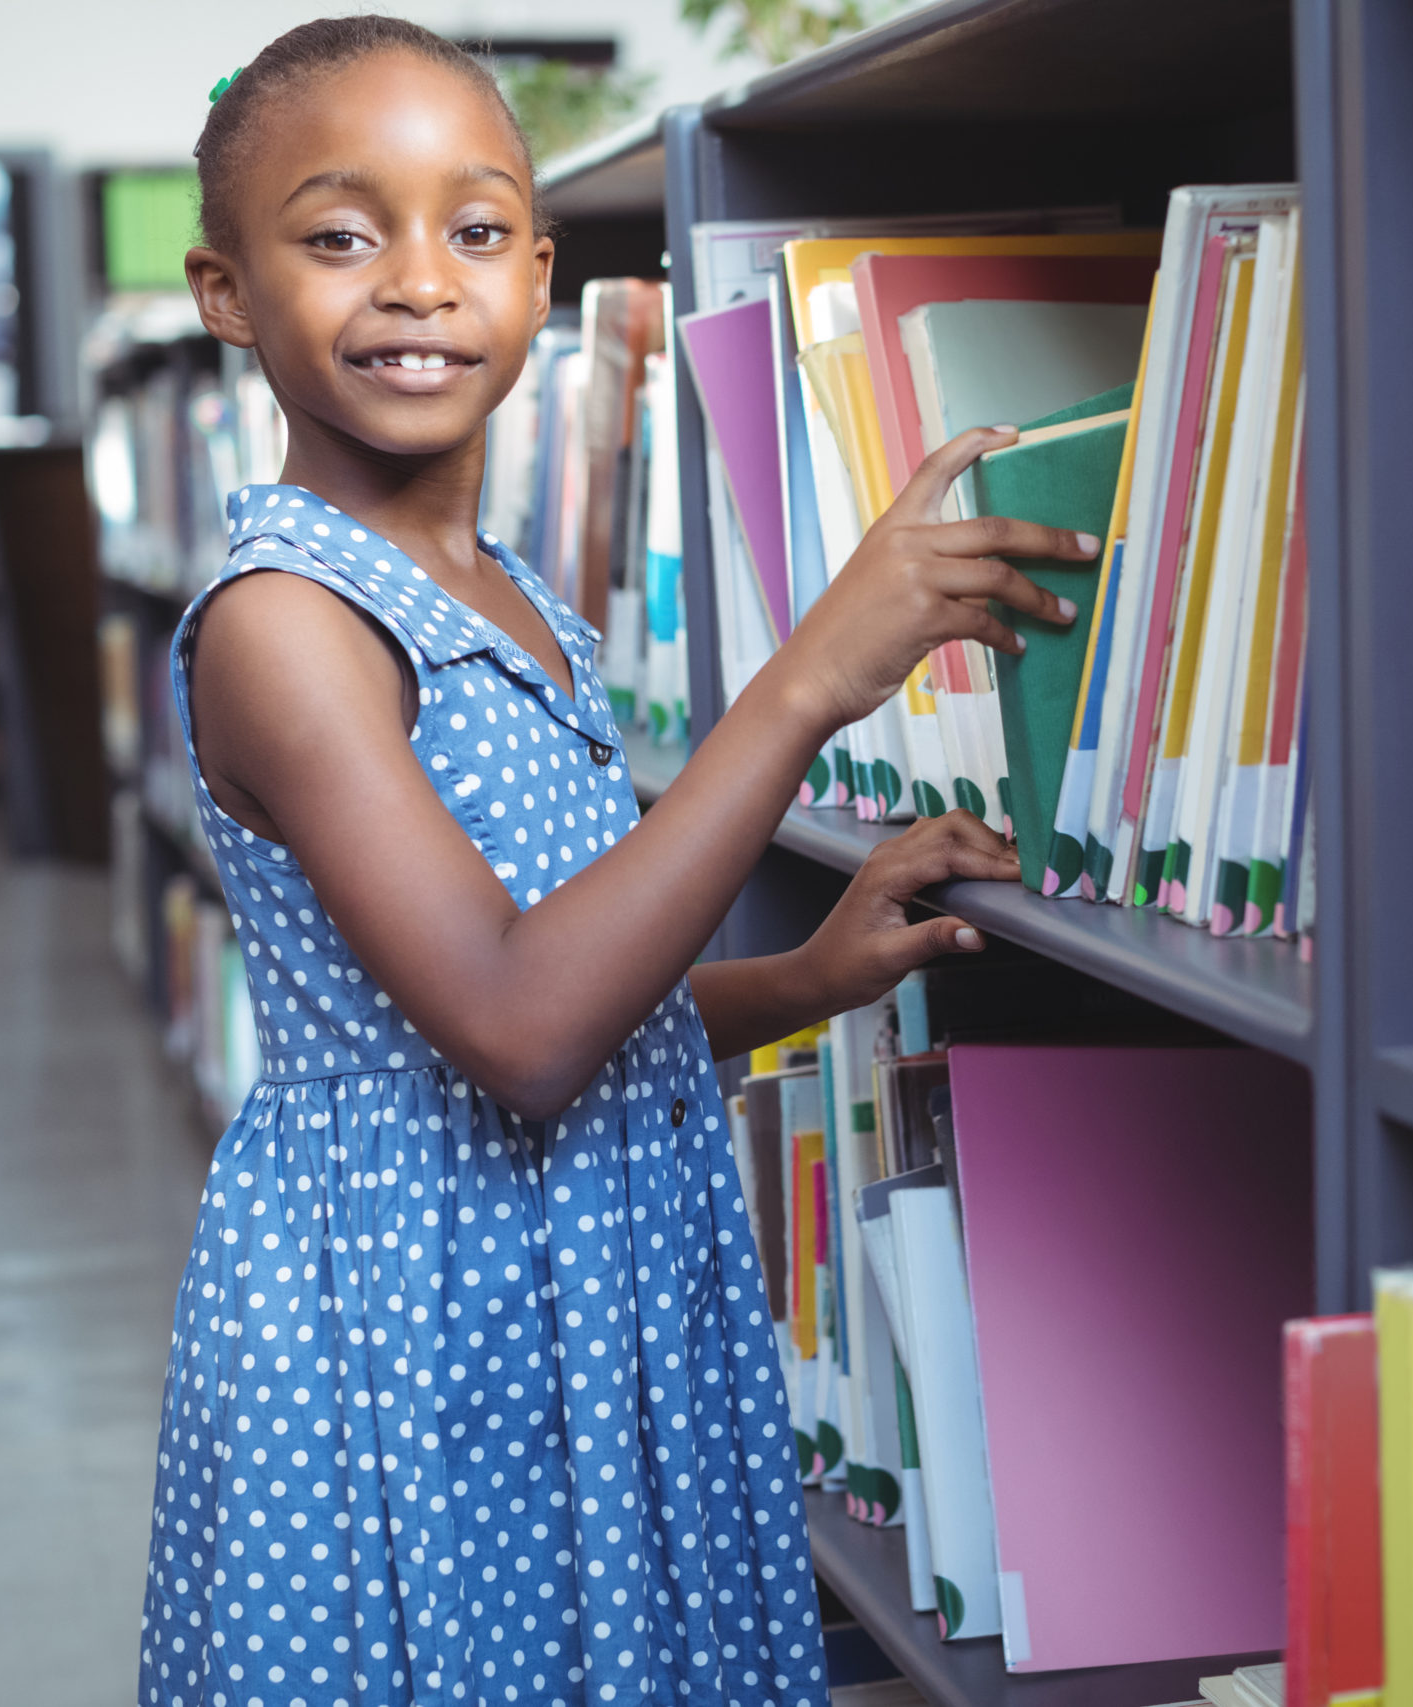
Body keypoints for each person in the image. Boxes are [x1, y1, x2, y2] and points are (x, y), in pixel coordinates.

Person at [141, 17, 1098, 1707]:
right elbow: (519, 1028)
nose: (421, 284)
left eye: (477, 230)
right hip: (410, 1337)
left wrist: (803, 979)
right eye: (342, 235)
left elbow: (568, 971)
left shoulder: (516, 599)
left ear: (540, 272)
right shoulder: (285, 629)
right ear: (227, 292)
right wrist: (808, 680)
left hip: (597, 1295)